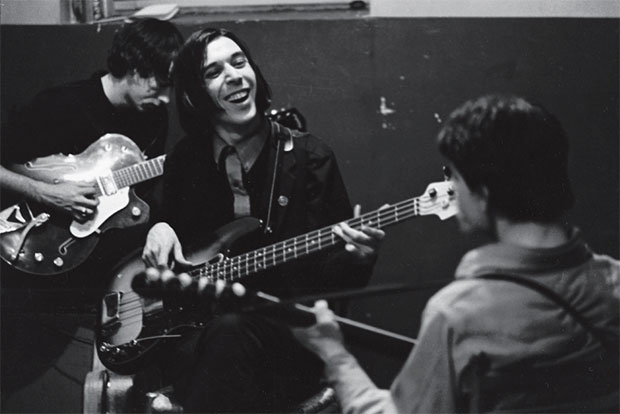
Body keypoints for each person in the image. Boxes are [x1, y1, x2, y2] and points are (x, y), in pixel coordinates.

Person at [292, 94, 620, 413]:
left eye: (454, 175)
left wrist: (334, 356)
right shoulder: (614, 280)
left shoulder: (457, 313)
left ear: (484, 194)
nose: (449, 188)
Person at [141, 27, 384, 413]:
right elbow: (170, 225)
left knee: (232, 331)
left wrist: (358, 256)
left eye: (240, 63)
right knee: (219, 337)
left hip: (286, 338)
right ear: (193, 95)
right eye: (214, 71)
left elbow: (335, 284)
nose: (235, 75)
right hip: (194, 335)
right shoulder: (185, 161)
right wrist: (160, 226)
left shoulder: (310, 157)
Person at [0, 18, 183, 411]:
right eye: (160, 85)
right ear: (135, 69)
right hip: (29, 252)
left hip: (97, 266)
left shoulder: (151, 116)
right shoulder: (61, 104)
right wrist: (50, 194)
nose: (166, 99)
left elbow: (134, 201)